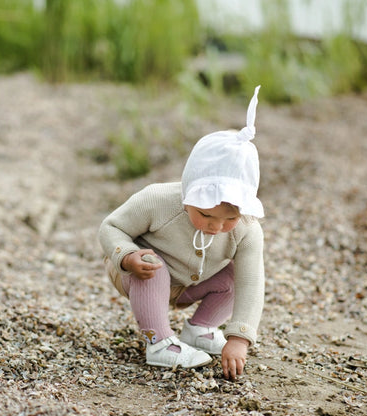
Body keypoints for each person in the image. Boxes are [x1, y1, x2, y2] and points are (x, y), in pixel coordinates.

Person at [98, 86, 265, 380]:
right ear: (188, 193)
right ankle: (159, 343)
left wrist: (239, 338)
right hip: (138, 274)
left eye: (230, 218)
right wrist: (126, 256)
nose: (216, 226)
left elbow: (253, 284)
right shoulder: (158, 201)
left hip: (192, 284)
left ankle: (199, 330)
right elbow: (111, 226)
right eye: (205, 214)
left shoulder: (248, 230)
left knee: (236, 275)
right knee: (154, 264)